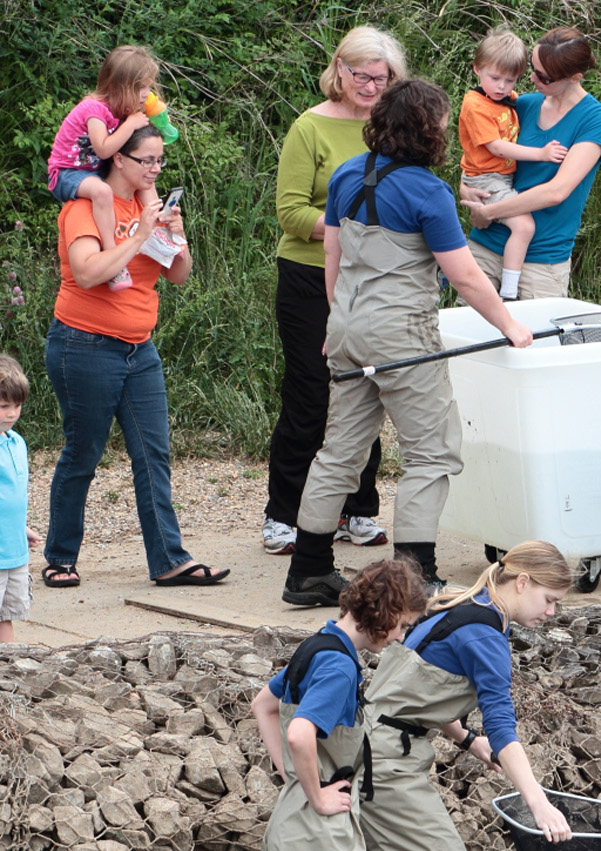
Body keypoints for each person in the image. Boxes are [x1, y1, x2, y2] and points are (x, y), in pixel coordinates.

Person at [282, 79, 531, 607]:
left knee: (340, 452)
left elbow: (332, 255)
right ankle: (418, 576)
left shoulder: (348, 173)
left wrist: (336, 326)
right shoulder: (427, 190)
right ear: (426, 130)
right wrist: (510, 325)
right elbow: (463, 273)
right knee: (432, 452)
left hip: (346, 327)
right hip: (403, 335)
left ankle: (308, 572)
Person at [359, 541, 573, 851]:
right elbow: (502, 725)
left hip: (369, 746)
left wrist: (468, 740)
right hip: (384, 763)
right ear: (523, 581)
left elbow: (417, 690)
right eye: (549, 600)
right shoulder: (485, 635)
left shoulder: (459, 605)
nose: (551, 613)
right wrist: (539, 804)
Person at [43, 125, 229, 590]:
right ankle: (59, 557)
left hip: (139, 346)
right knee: (83, 452)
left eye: (160, 161)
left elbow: (180, 275)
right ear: (118, 159)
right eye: (147, 160)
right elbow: (88, 273)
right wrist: (140, 232)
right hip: (83, 343)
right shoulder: (85, 205)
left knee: (154, 453)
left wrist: (176, 235)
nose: (155, 169)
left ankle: (169, 560)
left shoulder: (148, 206)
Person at [251, 558, 428, 851]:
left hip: (297, 825)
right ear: (384, 614)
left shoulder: (320, 644)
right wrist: (317, 795)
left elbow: (264, 705)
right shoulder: (340, 667)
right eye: (403, 626)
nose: (402, 637)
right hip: (313, 832)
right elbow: (299, 732)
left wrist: (289, 775)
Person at [264, 26, 407, 557]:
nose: (371, 86)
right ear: (338, 71)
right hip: (306, 273)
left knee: (367, 387)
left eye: (382, 77)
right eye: (362, 75)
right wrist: (354, 224)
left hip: (372, 276)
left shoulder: (393, 128)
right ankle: (284, 513)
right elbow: (291, 212)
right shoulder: (309, 127)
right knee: (309, 392)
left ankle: (358, 509)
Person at [461, 26, 601, 299]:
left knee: (538, 338)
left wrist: (490, 212)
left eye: (543, 76)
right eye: (531, 69)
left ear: (574, 77)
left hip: (542, 257)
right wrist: (466, 191)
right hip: (487, 244)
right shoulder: (523, 104)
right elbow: (482, 156)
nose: (531, 79)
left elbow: (557, 192)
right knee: (467, 334)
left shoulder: (595, 119)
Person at [458, 29, 568, 301]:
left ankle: (507, 284)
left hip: (498, 178)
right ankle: (508, 290)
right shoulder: (475, 105)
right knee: (524, 226)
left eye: (510, 80)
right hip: (487, 178)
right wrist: (541, 154)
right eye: (494, 78)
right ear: (477, 69)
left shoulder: (508, 100)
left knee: (521, 226)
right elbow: (496, 146)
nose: (501, 87)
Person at [45, 45, 161, 293]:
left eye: (148, 87)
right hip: (66, 173)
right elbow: (103, 150)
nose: (147, 94)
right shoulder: (94, 109)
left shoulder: (122, 111)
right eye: (141, 88)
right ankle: (112, 252)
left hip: (90, 171)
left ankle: (159, 222)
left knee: (138, 176)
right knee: (103, 192)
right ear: (121, 87)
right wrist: (129, 125)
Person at [0, 356, 40, 642]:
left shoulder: (16, 442)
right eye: (3, 406)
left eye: (17, 405)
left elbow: (13, 495)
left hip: (14, 552)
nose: (12, 413)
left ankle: (13, 672)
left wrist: (20, 527)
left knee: (7, 615)